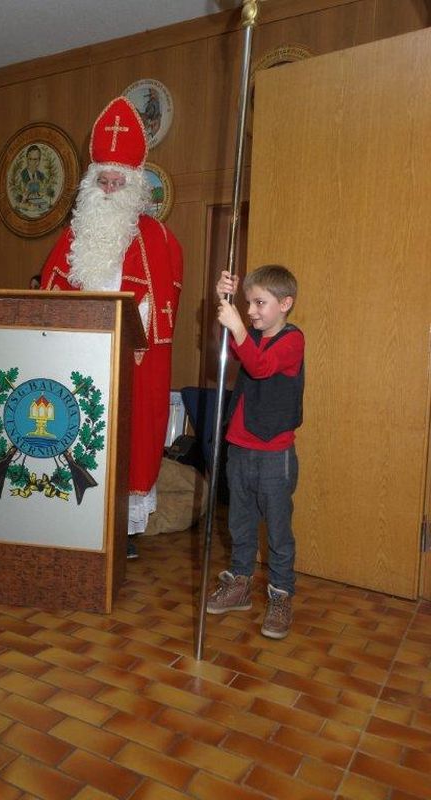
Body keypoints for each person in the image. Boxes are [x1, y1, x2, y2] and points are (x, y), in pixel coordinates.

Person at [40, 96, 183, 559]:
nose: (107, 189)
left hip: (127, 361)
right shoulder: (73, 237)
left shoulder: (159, 239)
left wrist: (133, 325)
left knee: (123, 440)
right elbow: (50, 292)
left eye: (117, 182)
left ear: (134, 186)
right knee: (75, 436)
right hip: (78, 359)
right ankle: (73, 518)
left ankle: (122, 529)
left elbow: (162, 310)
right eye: (102, 180)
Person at [206, 266, 304, 639]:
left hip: (273, 453)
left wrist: (238, 326)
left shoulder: (292, 341)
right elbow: (226, 346)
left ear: (285, 303)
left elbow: (261, 367)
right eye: (248, 303)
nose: (251, 311)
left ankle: (281, 596)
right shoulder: (254, 335)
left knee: (277, 530)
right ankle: (240, 583)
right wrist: (223, 300)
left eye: (260, 303)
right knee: (240, 523)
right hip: (240, 448)